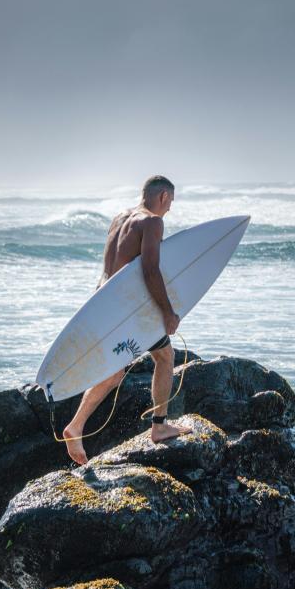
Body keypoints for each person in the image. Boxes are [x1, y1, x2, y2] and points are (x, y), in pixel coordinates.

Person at [63, 174, 192, 465]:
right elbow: (150, 271)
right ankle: (158, 426)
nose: (170, 209)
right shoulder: (152, 222)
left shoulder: (119, 218)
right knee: (164, 357)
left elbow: (112, 268)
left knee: (117, 370)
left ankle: (77, 426)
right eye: (170, 202)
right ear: (162, 197)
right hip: (125, 308)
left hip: (103, 300)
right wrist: (167, 312)